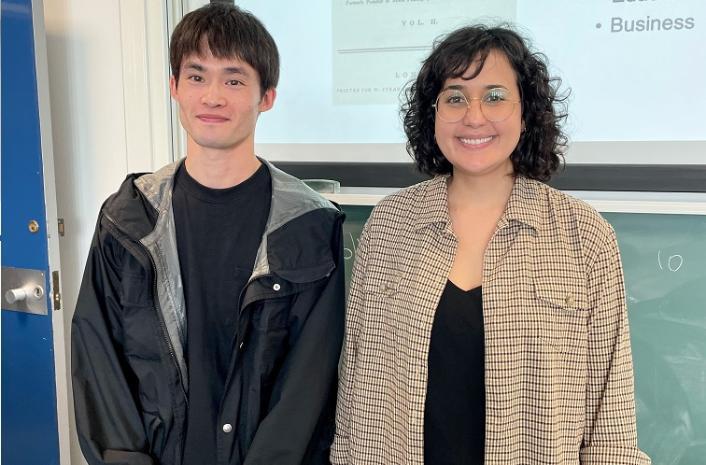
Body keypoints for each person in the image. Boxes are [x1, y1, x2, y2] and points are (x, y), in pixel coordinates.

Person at [332, 25, 651, 465]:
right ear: (433, 113)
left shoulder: (583, 235)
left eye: (495, 96)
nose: (474, 116)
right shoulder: (390, 225)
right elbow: (357, 391)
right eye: (455, 97)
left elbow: (611, 417)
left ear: (527, 112)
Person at [71, 4, 345, 465]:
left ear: (267, 96)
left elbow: (310, 380)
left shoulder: (310, 224)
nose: (213, 96)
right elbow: (98, 356)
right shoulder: (128, 218)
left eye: (234, 80)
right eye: (197, 77)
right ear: (175, 87)